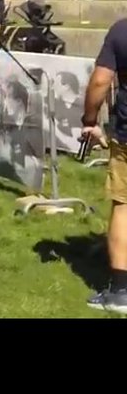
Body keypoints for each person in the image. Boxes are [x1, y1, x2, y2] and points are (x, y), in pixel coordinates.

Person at [80, 18, 127, 313]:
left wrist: (89, 119)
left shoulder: (122, 30)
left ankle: (122, 291)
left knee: (124, 206)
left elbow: (100, 82)